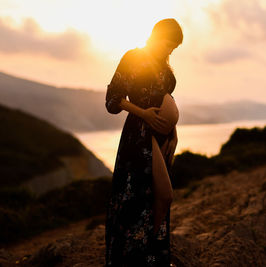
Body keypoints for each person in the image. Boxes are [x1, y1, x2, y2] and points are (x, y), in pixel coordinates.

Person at [104, 18, 183, 267]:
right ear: (157, 36)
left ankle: (152, 256)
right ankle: (136, 257)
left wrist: (173, 130)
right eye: (169, 45)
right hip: (140, 134)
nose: (170, 51)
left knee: (153, 198)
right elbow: (113, 99)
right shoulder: (134, 57)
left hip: (161, 136)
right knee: (157, 195)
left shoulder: (163, 65)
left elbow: (165, 99)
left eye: (174, 48)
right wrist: (144, 113)